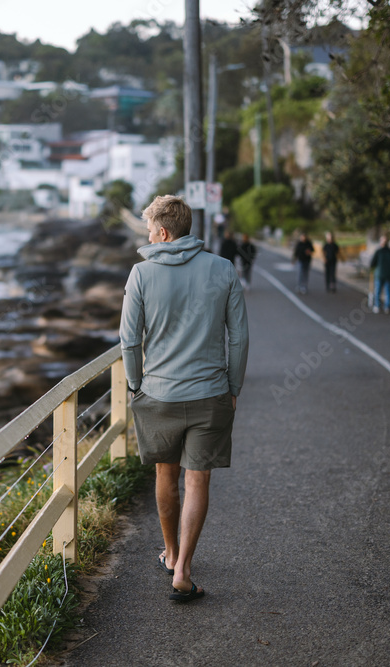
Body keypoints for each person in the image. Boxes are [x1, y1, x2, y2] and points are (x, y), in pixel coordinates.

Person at [119, 195, 249, 603]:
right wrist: (233, 387)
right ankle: (183, 570)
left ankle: (171, 551)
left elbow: (128, 340)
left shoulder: (141, 274)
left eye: (149, 231)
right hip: (211, 392)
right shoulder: (222, 269)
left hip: (158, 394)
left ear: (162, 232)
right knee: (198, 479)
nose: (147, 238)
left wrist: (135, 385)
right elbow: (239, 337)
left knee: (166, 475)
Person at [369, 233, 390, 314]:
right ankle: (387, 306)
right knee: (388, 291)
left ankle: (377, 305)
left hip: (380, 274)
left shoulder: (378, 252)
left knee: (378, 290)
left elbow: (372, 263)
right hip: (389, 275)